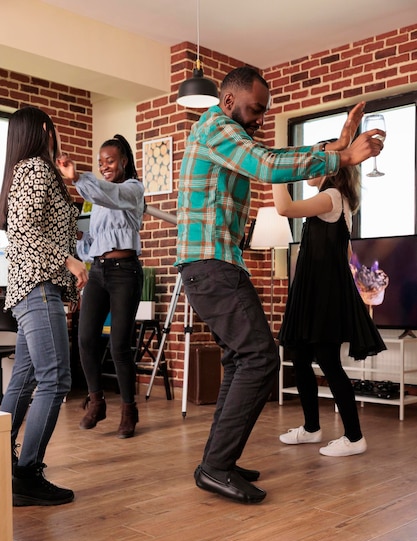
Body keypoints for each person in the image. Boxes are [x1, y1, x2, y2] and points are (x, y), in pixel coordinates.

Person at [175, 66, 384, 504]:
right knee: (260, 357)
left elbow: (271, 155)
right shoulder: (215, 126)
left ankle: (219, 459)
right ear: (228, 101)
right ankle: (215, 465)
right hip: (210, 265)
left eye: (263, 112)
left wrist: (339, 143)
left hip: (218, 264)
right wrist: (342, 156)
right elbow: (268, 164)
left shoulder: (227, 132)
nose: (258, 119)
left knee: (242, 360)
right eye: (254, 110)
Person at [0, 106, 88, 506]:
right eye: (51, 127)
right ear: (41, 128)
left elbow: (58, 224)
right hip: (38, 285)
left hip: (28, 286)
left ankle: (5, 463)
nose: (55, 133)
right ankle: (26, 474)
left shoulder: (28, 169)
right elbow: (22, 231)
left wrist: (72, 182)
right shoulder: (34, 168)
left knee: (25, 378)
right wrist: (67, 261)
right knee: (56, 379)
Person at [274, 159, 386, 456]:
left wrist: (274, 172)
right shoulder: (336, 200)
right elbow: (346, 252)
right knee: (299, 356)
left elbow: (284, 209)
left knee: (328, 361)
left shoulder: (333, 196)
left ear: (332, 169)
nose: (308, 171)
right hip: (313, 293)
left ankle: (354, 437)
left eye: (315, 165)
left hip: (323, 295)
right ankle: (311, 428)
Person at [57, 135, 145, 439]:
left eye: (110, 160)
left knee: (120, 344)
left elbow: (110, 194)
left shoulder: (133, 189)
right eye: (100, 162)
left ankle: (129, 410)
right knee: (84, 338)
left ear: (124, 162)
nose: (104, 166)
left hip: (126, 273)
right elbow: (92, 241)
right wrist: (83, 244)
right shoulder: (93, 200)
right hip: (99, 273)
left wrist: (79, 176)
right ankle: (96, 401)